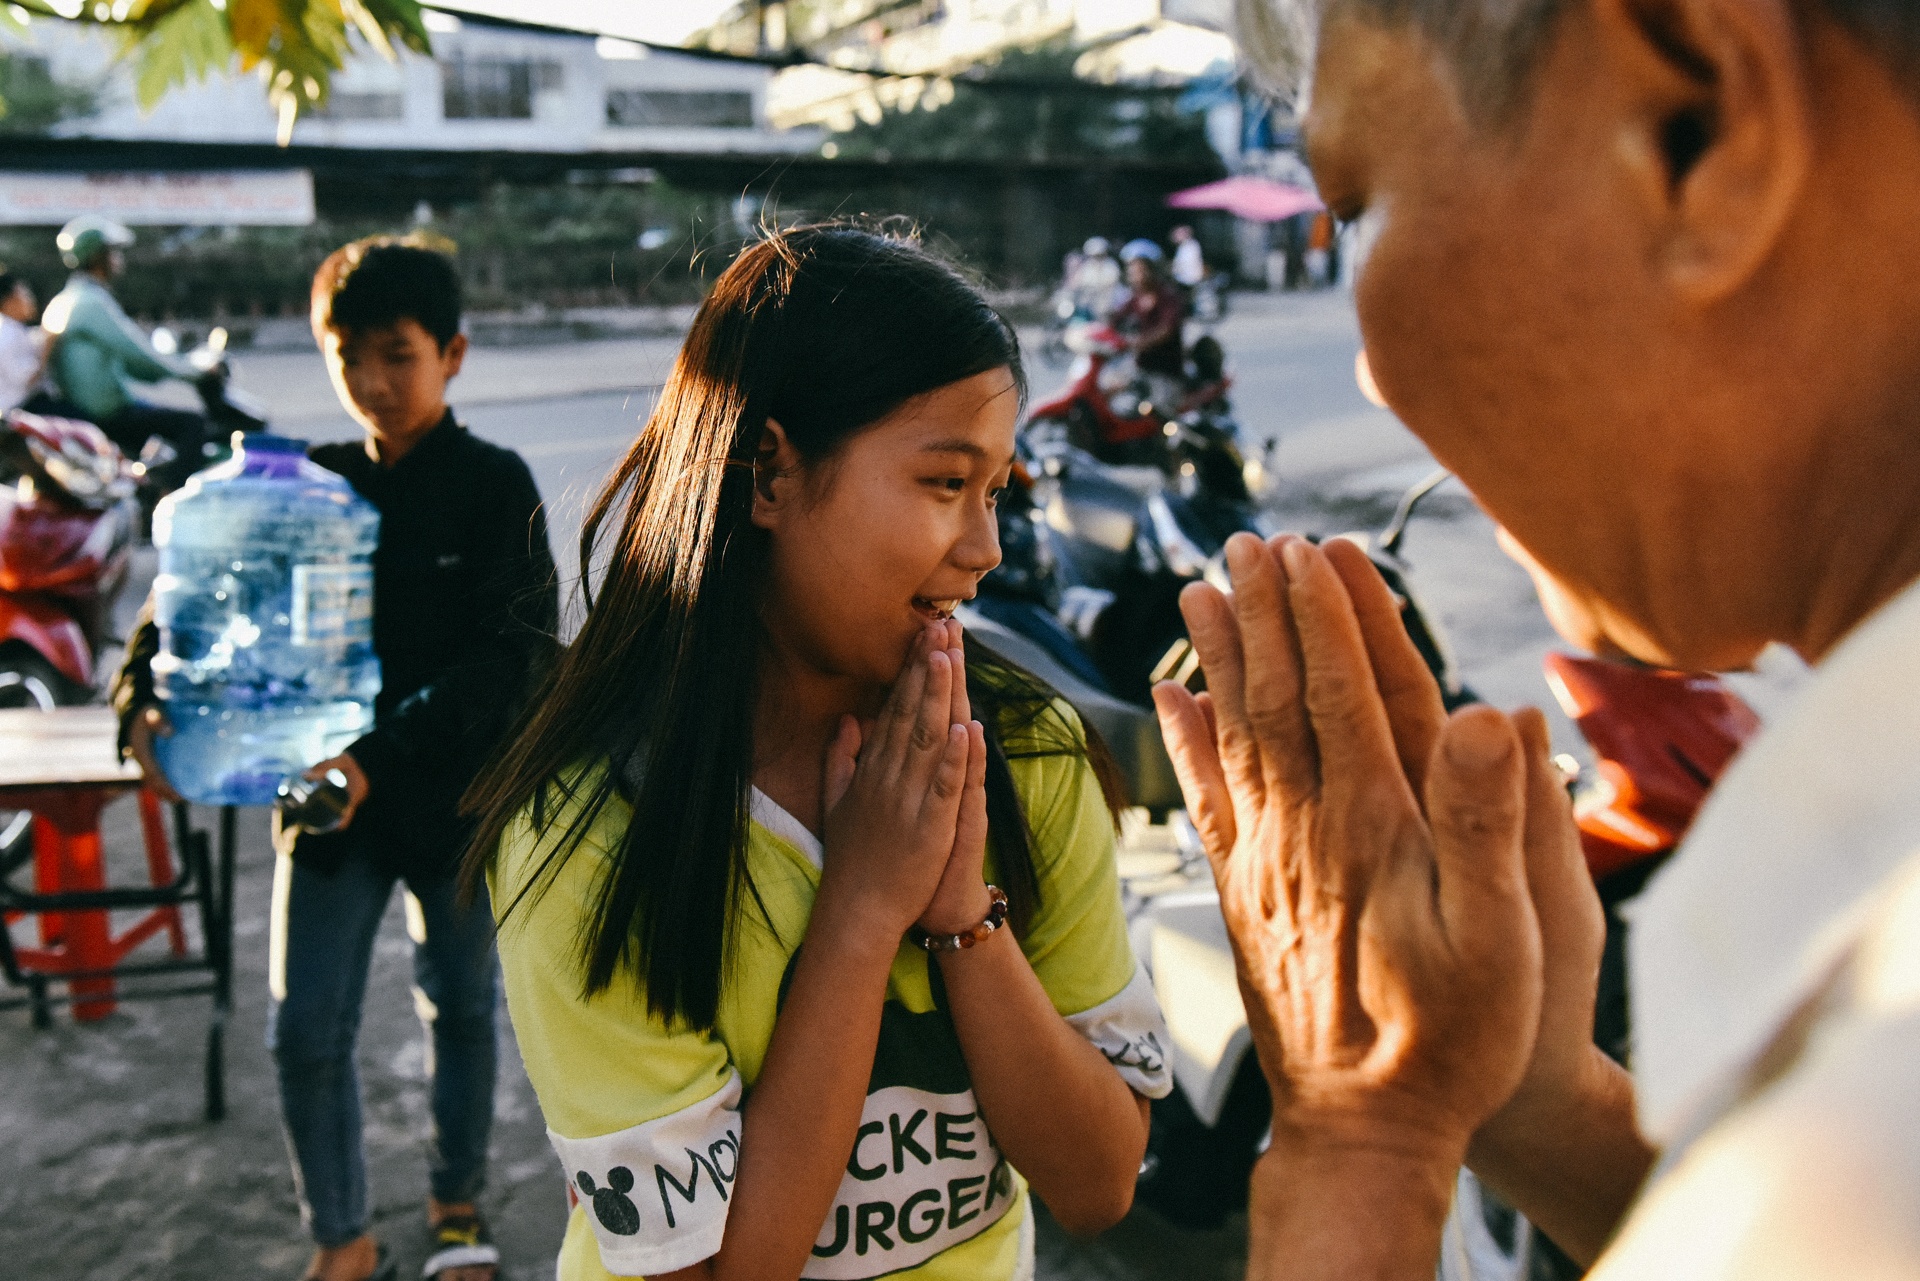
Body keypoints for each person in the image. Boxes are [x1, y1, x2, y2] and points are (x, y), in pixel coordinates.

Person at [1151, 0, 1920, 1277]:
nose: (1372, 377)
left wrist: (1365, 1118)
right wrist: (1539, 1105)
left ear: (1699, 122)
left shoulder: (1874, 1094)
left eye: (1360, 203)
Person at [462, 224, 1172, 1281]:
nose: (982, 552)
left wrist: (965, 919)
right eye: (943, 484)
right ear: (767, 475)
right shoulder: (593, 826)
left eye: (996, 494)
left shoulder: (1024, 752)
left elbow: (1099, 1181)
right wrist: (861, 913)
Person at [116, 236, 558, 1281]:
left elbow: (515, 661)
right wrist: (139, 699)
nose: (370, 383)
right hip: (324, 809)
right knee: (305, 1029)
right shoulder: (301, 488)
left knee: (457, 1007)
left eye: (395, 355)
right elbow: (187, 604)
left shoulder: (497, 487)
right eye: (346, 355)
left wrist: (375, 753)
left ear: (452, 353)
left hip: (451, 803)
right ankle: (343, 1239)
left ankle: (457, 1204)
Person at [39, 217, 208, 483]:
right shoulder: (91, 302)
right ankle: (170, 501)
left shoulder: (68, 299)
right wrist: (196, 371)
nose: (118, 259)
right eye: (112, 252)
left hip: (92, 406)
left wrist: (175, 366)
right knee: (192, 424)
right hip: (105, 415)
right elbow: (139, 353)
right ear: (97, 257)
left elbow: (134, 364)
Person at [1111, 240, 1188, 415]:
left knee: (1159, 416)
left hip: (1165, 372)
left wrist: (1138, 342)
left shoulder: (1168, 297)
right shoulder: (1134, 298)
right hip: (1141, 368)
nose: (1134, 274)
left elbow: (1167, 330)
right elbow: (1114, 321)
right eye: (1131, 269)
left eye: (1139, 268)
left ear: (1153, 269)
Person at [0, 270, 44, 412]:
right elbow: (26, 379)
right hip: (20, 411)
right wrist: (50, 344)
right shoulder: (6, 334)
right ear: (8, 301)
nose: (30, 299)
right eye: (24, 294)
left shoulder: (16, 329)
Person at [1169, 225, 1205, 291]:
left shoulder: (1191, 246)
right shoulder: (1183, 246)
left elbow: (1185, 264)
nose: (1175, 236)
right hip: (1184, 280)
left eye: (1177, 234)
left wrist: (1174, 269)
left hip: (1189, 280)